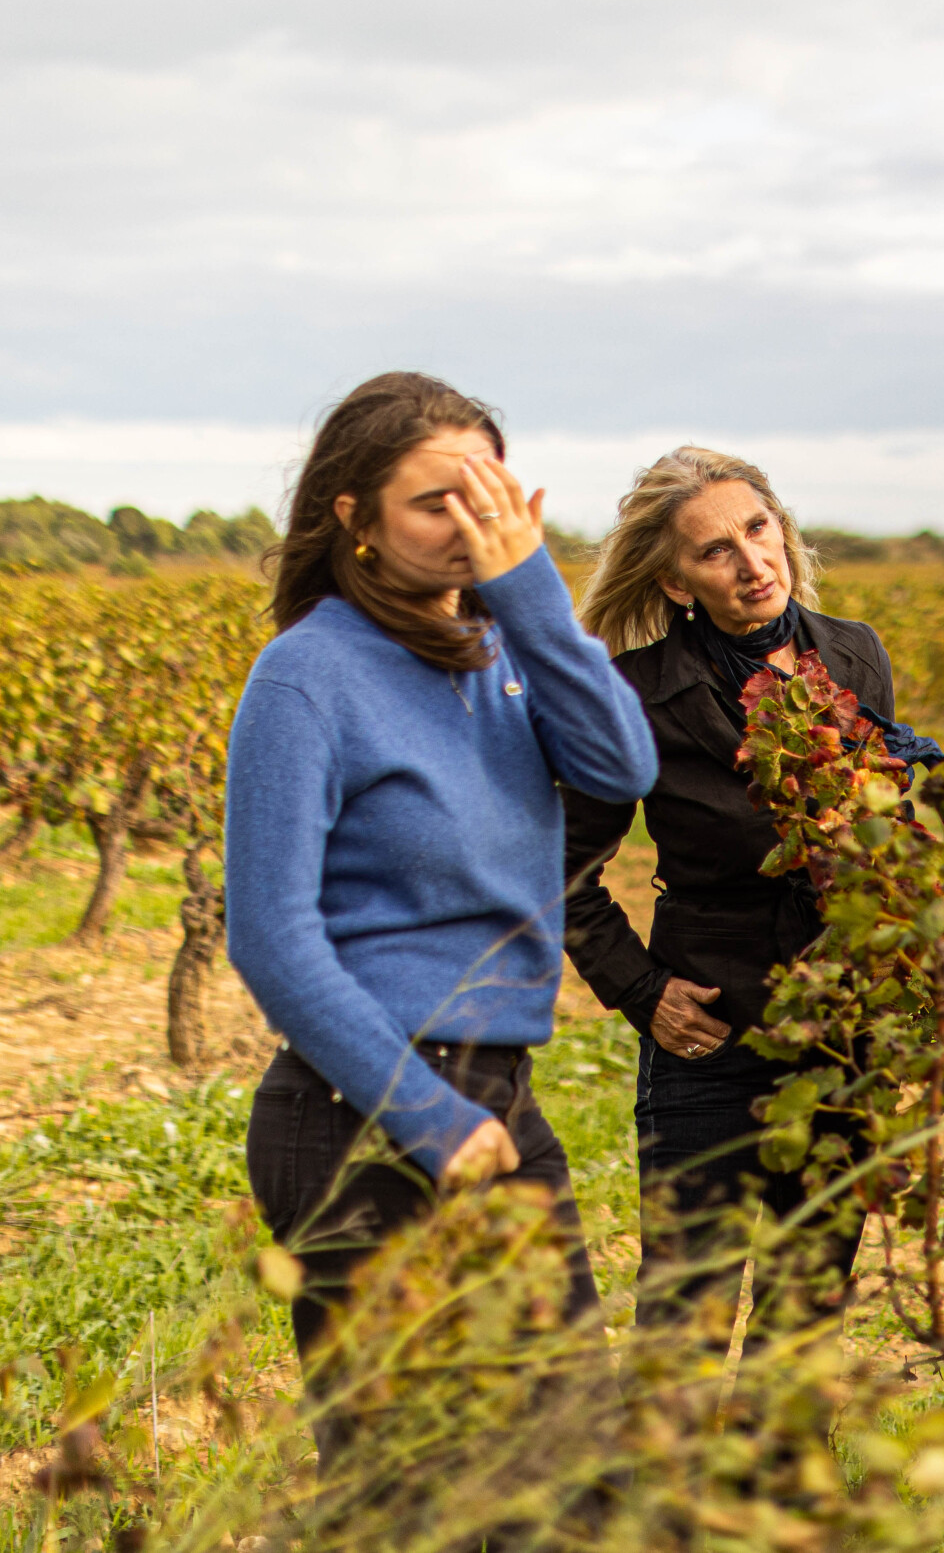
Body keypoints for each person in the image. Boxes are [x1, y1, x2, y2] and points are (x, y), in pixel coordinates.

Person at [229, 372, 658, 1465]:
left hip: (498, 1090)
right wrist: (424, 1114)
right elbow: (271, 934)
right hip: (362, 1111)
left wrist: (533, 597)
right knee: (406, 1488)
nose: (470, 522)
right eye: (434, 501)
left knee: (560, 1474)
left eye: (488, 492)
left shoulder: (506, 651)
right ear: (352, 517)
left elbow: (621, 762)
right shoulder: (306, 677)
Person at [564, 446, 937, 1341]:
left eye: (757, 529)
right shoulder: (637, 695)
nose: (752, 561)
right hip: (710, 1033)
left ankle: (775, 1486)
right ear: (680, 581)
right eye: (714, 550)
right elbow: (561, 868)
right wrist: (642, 991)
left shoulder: (855, 654)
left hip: (838, 1029)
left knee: (803, 1318)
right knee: (683, 1323)